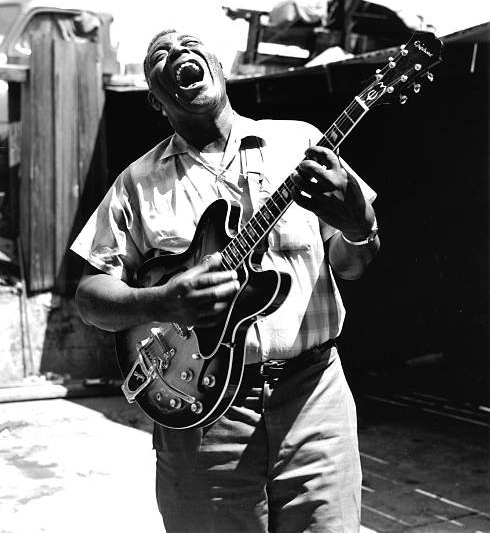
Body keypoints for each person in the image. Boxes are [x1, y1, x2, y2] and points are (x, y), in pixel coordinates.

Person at [71, 28, 380, 532]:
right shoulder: (136, 183)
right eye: (160, 56)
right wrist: (162, 300)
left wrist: (357, 224)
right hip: (200, 409)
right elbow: (90, 296)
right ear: (155, 97)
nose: (178, 54)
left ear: (220, 66)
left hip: (314, 397)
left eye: (190, 44)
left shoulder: (300, 142)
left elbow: (353, 264)